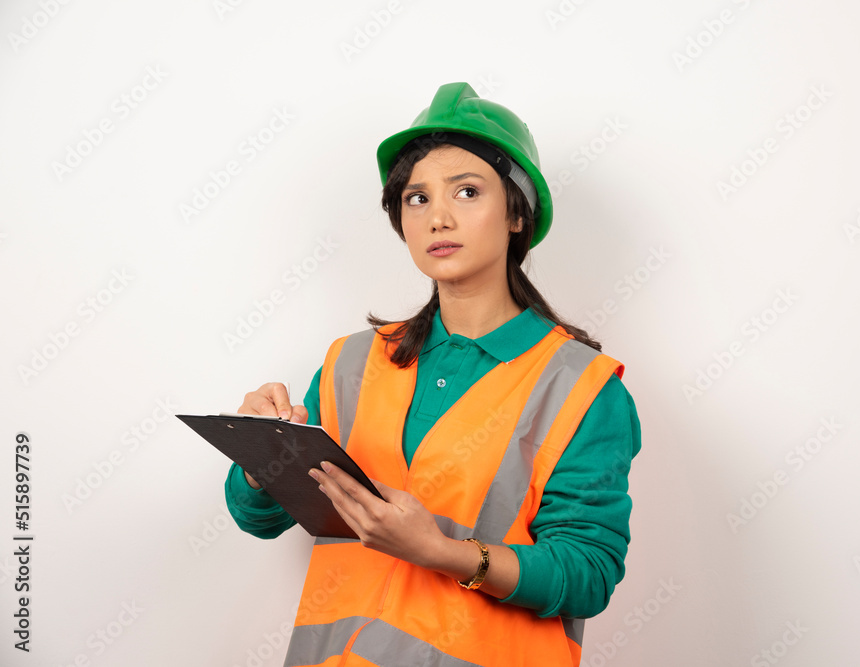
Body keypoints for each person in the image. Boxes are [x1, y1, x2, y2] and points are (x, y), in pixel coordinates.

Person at [224, 82, 642, 667]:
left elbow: (589, 574)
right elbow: (259, 518)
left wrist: (445, 553)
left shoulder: (582, 389)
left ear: (517, 212)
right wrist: (261, 454)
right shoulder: (351, 362)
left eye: (466, 191)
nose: (438, 216)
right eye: (416, 198)